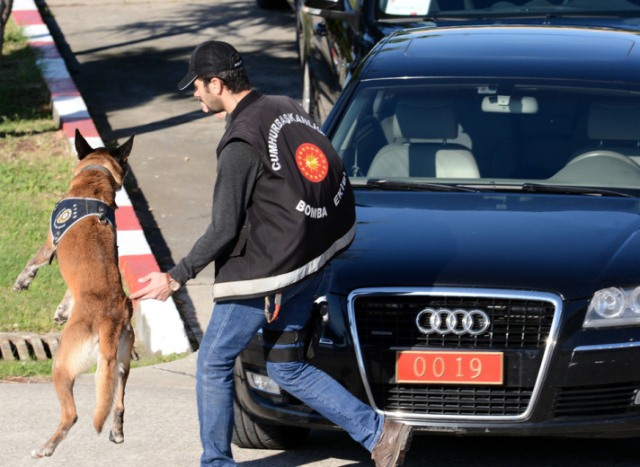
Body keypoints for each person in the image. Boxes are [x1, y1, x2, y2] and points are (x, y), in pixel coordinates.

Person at [130, 40, 413, 467]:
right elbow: (324, 168)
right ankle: (379, 433)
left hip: (274, 273)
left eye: (197, 86)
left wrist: (176, 275)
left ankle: (216, 463)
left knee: (213, 362)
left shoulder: (240, 142)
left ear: (217, 83)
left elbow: (224, 228)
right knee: (286, 367)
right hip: (317, 258)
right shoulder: (285, 107)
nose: (194, 94)